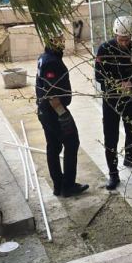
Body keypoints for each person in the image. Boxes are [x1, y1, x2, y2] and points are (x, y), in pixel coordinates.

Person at [96, 16, 132, 190]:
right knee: (111, 136)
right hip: (111, 99)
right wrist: (117, 84)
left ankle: (130, 157)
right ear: (115, 35)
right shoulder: (104, 49)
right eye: (121, 39)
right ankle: (113, 173)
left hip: (131, 97)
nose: (124, 43)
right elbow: (99, 76)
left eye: (127, 39)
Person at [36, 35, 89, 197]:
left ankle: (58, 185)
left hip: (44, 111)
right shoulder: (52, 62)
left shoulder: (44, 57)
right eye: (59, 40)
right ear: (51, 41)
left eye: (62, 39)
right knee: (72, 142)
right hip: (53, 112)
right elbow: (52, 94)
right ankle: (68, 186)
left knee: (53, 146)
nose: (62, 43)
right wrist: (62, 115)